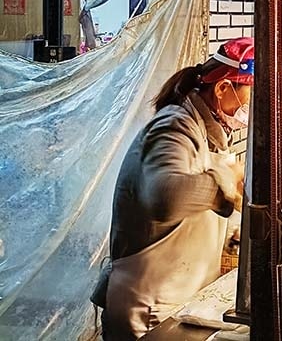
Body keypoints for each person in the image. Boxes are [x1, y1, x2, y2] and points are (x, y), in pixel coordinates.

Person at [93, 37, 254, 340]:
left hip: (181, 299)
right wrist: (227, 187)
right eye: (250, 93)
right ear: (222, 89)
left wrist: (231, 234)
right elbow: (166, 197)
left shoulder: (210, 131)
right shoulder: (174, 126)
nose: (250, 106)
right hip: (148, 310)